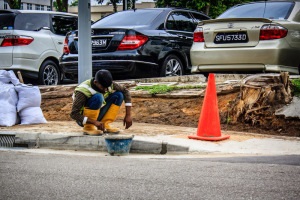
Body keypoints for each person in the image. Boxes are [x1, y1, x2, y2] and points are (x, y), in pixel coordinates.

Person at [70, 69, 132, 135]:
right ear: (95, 82)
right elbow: (74, 114)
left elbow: (125, 91)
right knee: (98, 97)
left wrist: (128, 115)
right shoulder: (83, 91)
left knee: (119, 95)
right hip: (83, 120)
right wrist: (94, 122)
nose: (105, 90)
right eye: (103, 87)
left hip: (98, 114)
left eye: (107, 87)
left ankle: (104, 125)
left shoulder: (108, 85)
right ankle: (89, 128)